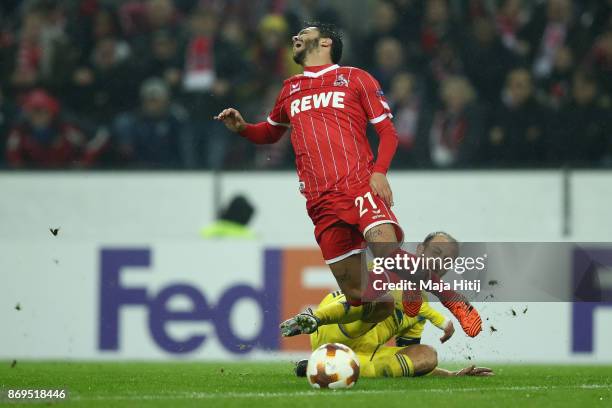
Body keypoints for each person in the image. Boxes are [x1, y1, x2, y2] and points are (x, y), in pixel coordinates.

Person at [215, 23, 481, 338]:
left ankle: (452, 298)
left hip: (359, 186)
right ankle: (403, 288)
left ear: (326, 42)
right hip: (321, 202)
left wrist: (379, 171)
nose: (294, 37)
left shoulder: (356, 78)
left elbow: (387, 132)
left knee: (386, 251)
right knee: (362, 295)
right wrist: (243, 127)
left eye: (304, 33)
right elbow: (271, 132)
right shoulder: (290, 88)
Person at [294, 285, 492, 379]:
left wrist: (451, 375)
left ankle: (328, 365)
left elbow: (410, 361)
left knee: (427, 355)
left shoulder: (419, 311)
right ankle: (316, 319)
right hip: (336, 328)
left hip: (364, 353)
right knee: (382, 302)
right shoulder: (389, 275)